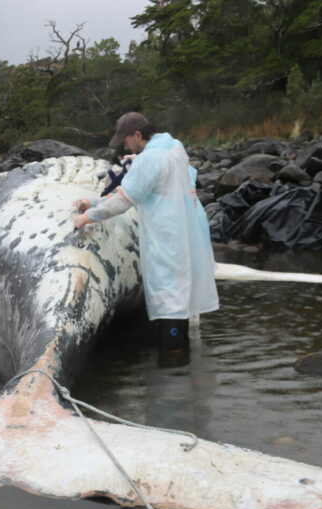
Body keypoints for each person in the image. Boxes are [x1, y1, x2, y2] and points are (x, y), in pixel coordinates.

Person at [73, 112, 219, 353]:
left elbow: (123, 201)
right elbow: (146, 184)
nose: (124, 145)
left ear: (137, 135)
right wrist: (96, 200)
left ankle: (173, 363)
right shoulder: (173, 145)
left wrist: (86, 217)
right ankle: (181, 360)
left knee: (168, 298)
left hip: (165, 236)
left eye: (126, 140)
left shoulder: (150, 159)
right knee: (181, 294)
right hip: (185, 231)